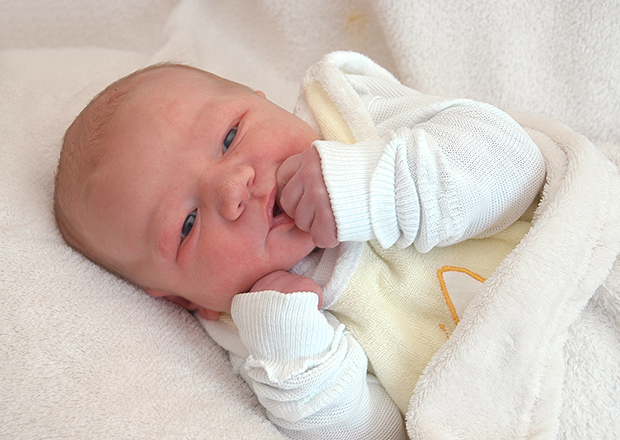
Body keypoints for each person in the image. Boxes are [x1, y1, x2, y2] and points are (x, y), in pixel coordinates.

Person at [54, 51, 545, 439]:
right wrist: (298, 350)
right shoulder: (262, 339)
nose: (233, 186)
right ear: (187, 300)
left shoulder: (350, 121)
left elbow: (519, 166)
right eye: (186, 224)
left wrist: (370, 186)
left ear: (264, 100)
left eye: (230, 136)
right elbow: (379, 431)